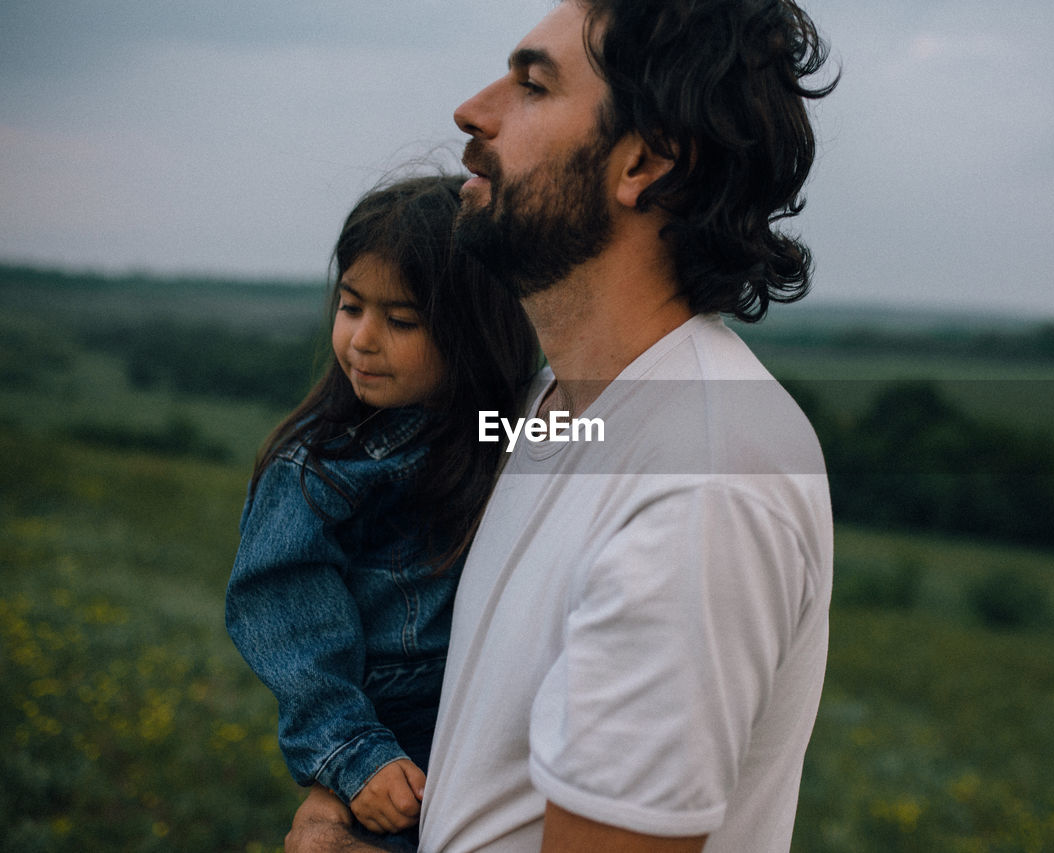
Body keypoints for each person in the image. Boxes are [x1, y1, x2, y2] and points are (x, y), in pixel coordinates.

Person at [286, 0, 836, 850]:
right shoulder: (550, 409)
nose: (473, 111)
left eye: (533, 85)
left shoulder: (702, 481)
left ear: (643, 162)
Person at [227, 175, 538, 851]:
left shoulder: (490, 426)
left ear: (475, 329)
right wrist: (352, 752)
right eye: (350, 306)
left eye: (400, 320)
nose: (362, 339)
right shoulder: (319, 468)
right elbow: (284, 619)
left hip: (488, 715)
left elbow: (588, 438)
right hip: (389, 737)